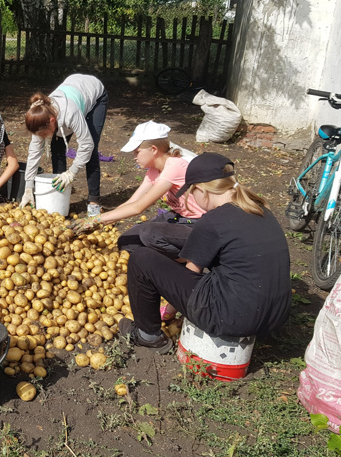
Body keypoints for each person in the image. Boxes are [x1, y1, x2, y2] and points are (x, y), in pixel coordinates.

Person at [118, 152, 291, 354]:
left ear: (201, 190)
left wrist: (170, 312)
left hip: (233, 318)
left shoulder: (213, 220)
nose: (190, 198)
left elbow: (191, 273)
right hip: (276, 316)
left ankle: (147, 336)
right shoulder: (260, 209)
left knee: (141, 258)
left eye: (191, 192)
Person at [69, 121, 205, 262]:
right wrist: (100, 223)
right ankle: (165, 258)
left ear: (153, 149)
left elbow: (138, 207)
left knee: (149, 234)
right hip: (178, 217)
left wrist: (97, 219)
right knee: (126, 242)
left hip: (199, 224)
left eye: (137, 152)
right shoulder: (154, 169)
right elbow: (133, 202)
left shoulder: (174, 166)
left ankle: (193, 258)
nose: (134, 157)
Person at [19, 74, 108, 216]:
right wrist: (28, 187)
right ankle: (60, 194)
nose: (43, 138)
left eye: (44, 134)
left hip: (94, 96)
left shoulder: (70, 114)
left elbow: (86, 144)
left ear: (52, 120)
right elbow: (34, 153)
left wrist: (72, 172)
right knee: (57, 148)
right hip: (72, 90)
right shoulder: (41, 116)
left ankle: (94, 202)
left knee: (91, 151)